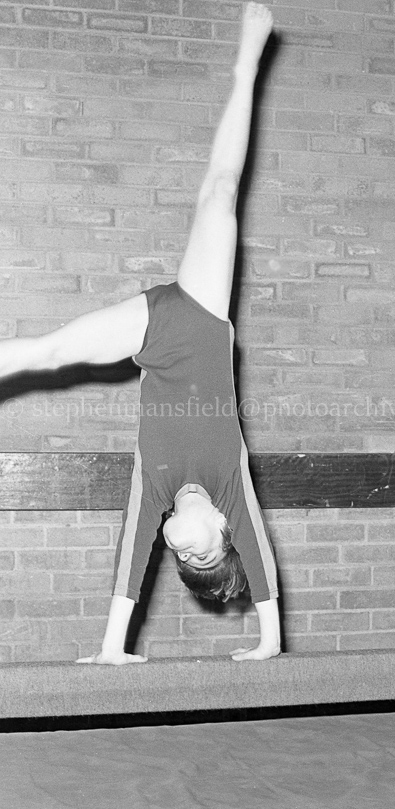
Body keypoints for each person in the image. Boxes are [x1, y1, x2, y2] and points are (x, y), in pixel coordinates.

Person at [0, 3, 281, 664]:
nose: (184, 551)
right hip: (202, 317)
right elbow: (262, 562)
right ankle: (248, 64)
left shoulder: (153, 490)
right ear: (222, 526)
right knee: (219, 192)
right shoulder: (229, 483)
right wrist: (269, 641)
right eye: (203, 554)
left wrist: (112, 649)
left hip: (151, 335)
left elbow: (132, 556)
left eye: (183, 561)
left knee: (50, 352)